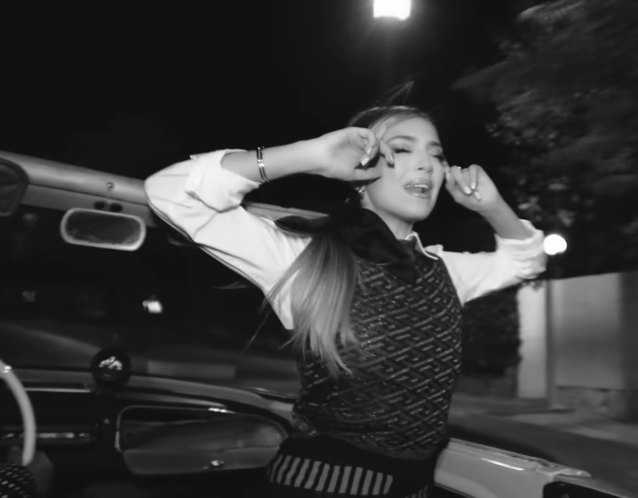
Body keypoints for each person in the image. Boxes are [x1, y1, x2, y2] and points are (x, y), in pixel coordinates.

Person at [144, 105, 547, 497]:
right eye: (402, 149)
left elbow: (527, 261)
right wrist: (311, 155)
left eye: (436, 155)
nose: (426, 165)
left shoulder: (445, 269)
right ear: (361, 169)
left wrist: (492, 207)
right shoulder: (305, 256)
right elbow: (171, 192)